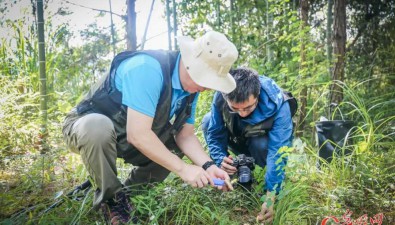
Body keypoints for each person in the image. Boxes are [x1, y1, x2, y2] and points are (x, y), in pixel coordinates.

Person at [62, 31, 238, 224]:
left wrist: (209, 166)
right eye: (204, 80)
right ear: (190, 63)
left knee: (173, 145)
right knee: (97, 126)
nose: (206, 88)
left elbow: (185, 136)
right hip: (88, 128)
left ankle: (128, 197)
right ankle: (111, 200)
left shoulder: (191, 88)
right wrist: (184, 169)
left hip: (128, 134)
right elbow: (137, 134)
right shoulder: (147, 69)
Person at [201, 67, 297, 223]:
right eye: (235, 108)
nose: (242, 113)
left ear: (257, 96)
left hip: (261, 145)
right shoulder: (221, 94)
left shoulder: (279, 103)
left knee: (260, 144)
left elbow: (277, 152)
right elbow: (215, 133)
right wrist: (220, 160)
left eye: (248, 107)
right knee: (207, 121)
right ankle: (230, 174)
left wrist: (271, 196)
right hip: (237, 139)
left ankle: (262, 180)